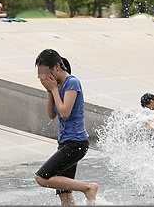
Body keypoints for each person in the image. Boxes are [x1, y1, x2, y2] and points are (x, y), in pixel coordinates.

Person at [34, 49, 98, 205]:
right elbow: (51, 114)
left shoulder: (72, 82)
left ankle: (88, 188)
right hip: (65, 143)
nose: (42, 77)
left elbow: (64, 113)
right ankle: (85, 191)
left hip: (76, 143)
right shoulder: (58, 86)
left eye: (45, 72)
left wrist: (54, 89)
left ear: (56, 67)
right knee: (65, 195)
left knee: (42, 178)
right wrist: (50, 90)